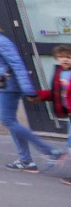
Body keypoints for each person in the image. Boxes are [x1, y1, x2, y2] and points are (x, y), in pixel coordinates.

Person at [0, 13, 64, 172]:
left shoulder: (0, 41)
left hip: (10, 87)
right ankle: (26, 161)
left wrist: (28, 89)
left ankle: (52, 152)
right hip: (2, 86)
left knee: (7, 120)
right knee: (11, 122)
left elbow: (17, 65)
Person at [33, 45, 71, 186]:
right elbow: (56, 93)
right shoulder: (59, 73)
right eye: (61, 57)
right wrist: (39, 95)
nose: (65, 60)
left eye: (68, 57)